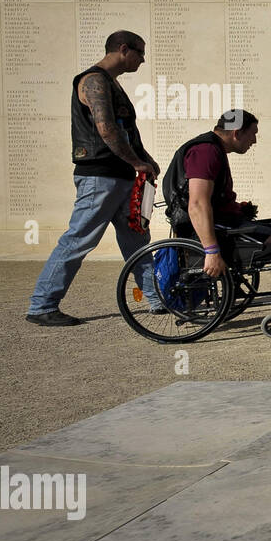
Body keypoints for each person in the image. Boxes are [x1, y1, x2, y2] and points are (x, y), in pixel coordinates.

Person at [27, 29, 162, 326]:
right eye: (140, 52)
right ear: (124, 49)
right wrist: (137, 162)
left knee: (138, 240)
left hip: (121, 176)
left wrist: (145, 160)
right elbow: (107, 130)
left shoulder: (111, 84)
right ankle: (41, 305)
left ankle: (156, 300)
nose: (143, 59)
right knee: (79, 240)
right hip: (100, 177)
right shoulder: (94, 80)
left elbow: (126, 130)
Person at [161, 109, 271, 279]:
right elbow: (197, 204)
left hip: (225, 222)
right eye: (252, 134)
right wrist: (211, 252)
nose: (254, 141)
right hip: (218, 228)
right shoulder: (206, 152)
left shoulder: (214, 149)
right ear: (237, 133)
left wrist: (240, 209)